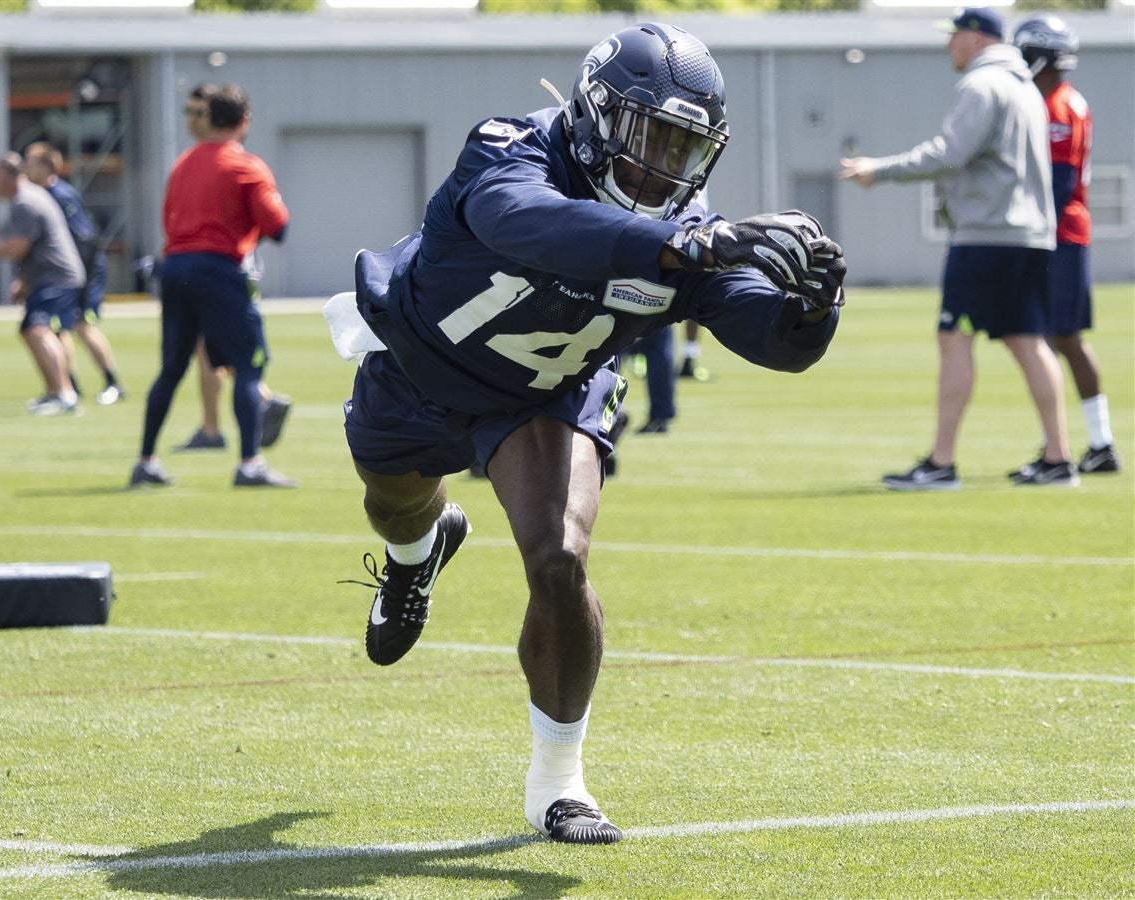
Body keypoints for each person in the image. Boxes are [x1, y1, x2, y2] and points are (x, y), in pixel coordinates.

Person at [336, 23, 845, 843]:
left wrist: (811, 308)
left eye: (685, 149)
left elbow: (774, 340)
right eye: (649, 138)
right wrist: (681, 244)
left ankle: (557, 782)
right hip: (419, 370)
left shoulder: (684, 227)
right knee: (394, 506)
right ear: (596, 113)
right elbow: (524, 221)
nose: (662, 167)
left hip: (541, 396)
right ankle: (415, 555)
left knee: (560, 561)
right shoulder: (511, 150)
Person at [840, 6, 1075, 490]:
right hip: (1029, 236)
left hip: (987, 236)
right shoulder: (1025, 87)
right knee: (1029, 341)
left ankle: (941, 463)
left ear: (974, 37)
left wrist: (878, 170)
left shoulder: (981, 84)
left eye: (954, 36)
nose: (949, 44)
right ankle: (1059, 458)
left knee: (954, 338)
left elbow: (949, 154)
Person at [130, 83, 296, 488]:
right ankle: (249, 463)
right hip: (219, 269)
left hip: (176, 267)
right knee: (248, 366)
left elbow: (169, 220)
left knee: (171, 368)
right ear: (244, 121)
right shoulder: (246, 166)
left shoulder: (183, 163)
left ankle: (146, 460)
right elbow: (278, 226)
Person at [1011, 15, 1121, 476]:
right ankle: (1091, 445)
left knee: (1054, 339)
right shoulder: (1053, 100)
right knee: (1058, 339)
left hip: (1058, 236)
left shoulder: (1058, 105)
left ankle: (1072, 448)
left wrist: (1023, 227)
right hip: (1058, 233)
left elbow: (1058, 182)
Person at [171, 83, 293, 454]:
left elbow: (273, 223)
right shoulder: (197, 160)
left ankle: (223, 427)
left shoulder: (233, 161)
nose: (192, 121)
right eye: (188, 113)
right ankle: (233, 416)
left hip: (228, 267)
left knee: (218, 348)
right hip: (212, 268)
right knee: (208, 348)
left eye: (199, 113)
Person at [0, 152, 85, 416]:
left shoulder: (25, 202)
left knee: (37, 330)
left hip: (56, 277)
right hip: (52, 277)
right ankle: (54, 392)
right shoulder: (26, 198)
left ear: (6, 177)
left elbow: (17, 249)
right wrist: (23, 281)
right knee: (37, 331)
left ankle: (65, 394)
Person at [22, 142, 126, 406]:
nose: (25, 167)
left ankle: (113, 382)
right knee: (58, 327)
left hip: (82, 270)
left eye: (31, 162)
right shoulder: (41, 196)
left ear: (46, 166)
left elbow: (84, 238)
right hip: (64, 274)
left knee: (82, 325)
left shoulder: (60, 195)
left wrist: (80, 277)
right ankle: (69, 386)